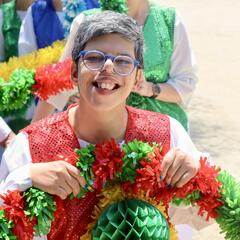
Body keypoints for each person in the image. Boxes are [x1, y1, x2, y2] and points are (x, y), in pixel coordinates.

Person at [0, 11, 208, 239]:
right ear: (73, 71)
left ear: (138, 77)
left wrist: (196, 173)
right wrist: (24, 179)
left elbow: (201, 216)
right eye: (94, 57)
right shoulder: (31, 147)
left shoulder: (167, 134)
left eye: (123, 61)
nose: (108, 66)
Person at [32, 0, 197, 131]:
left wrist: (149, 89)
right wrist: (29, 138)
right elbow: (58, 84)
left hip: (159, 143)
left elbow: (185, 84)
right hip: (98, 137)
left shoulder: (169, 21)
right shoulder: (87, 20)